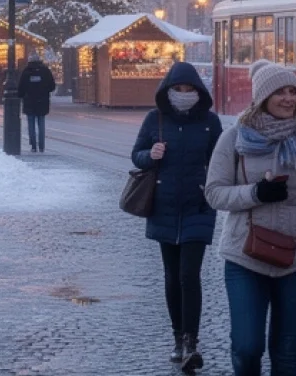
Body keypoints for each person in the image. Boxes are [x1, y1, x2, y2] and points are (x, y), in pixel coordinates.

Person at [205, 60, 296, 376]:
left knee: (284, 353)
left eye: (291, 91)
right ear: (261, 97)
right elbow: (214, 193)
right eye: (279, 92)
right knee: (247, 348)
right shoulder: (234, 139)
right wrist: (256, 193)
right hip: (245, 257)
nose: (288, 98)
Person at [131, 62, 223, 373]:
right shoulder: (154, 119)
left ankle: (191, 341)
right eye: (179, 89)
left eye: (190, 90)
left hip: (197, 206)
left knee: (189, 275)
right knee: (172, 276)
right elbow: (137, 154)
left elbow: (221, 161)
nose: (184, 94)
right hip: (164, 206)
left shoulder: (210, 122)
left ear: (198, 91)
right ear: (168, 91)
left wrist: (214, 187)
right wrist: (150, 155)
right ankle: (176, 337)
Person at [17, 56, 56, 152]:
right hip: (42, 101)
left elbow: (21, 87)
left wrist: (22, 95)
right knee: (41, 123)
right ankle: (42, 146)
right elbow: (52, 86)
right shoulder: (45, 71)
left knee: (31, 124)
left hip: (29, 101)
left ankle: (33, 146)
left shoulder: (26, 72)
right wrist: (45, 91)